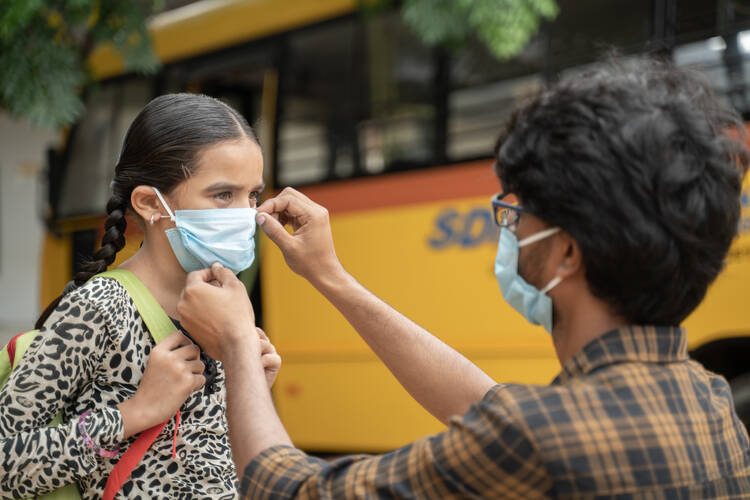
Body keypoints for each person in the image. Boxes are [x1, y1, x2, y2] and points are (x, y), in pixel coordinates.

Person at [178, 59, 750, 498]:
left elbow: (291, 489)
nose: (511, 228)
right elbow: (488, 406)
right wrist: (333, 280)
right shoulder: (710, 400)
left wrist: (236, 348)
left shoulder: (536, 438)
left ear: (566, 253)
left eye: (520, 214)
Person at [0, 93, 281, 499]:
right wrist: (134, 414)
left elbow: (214, 467)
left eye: (252, 195)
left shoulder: (224, 305)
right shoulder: (98, 308)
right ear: (150, 203)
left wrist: (250, 386)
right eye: (223, 195)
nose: (245, 214)